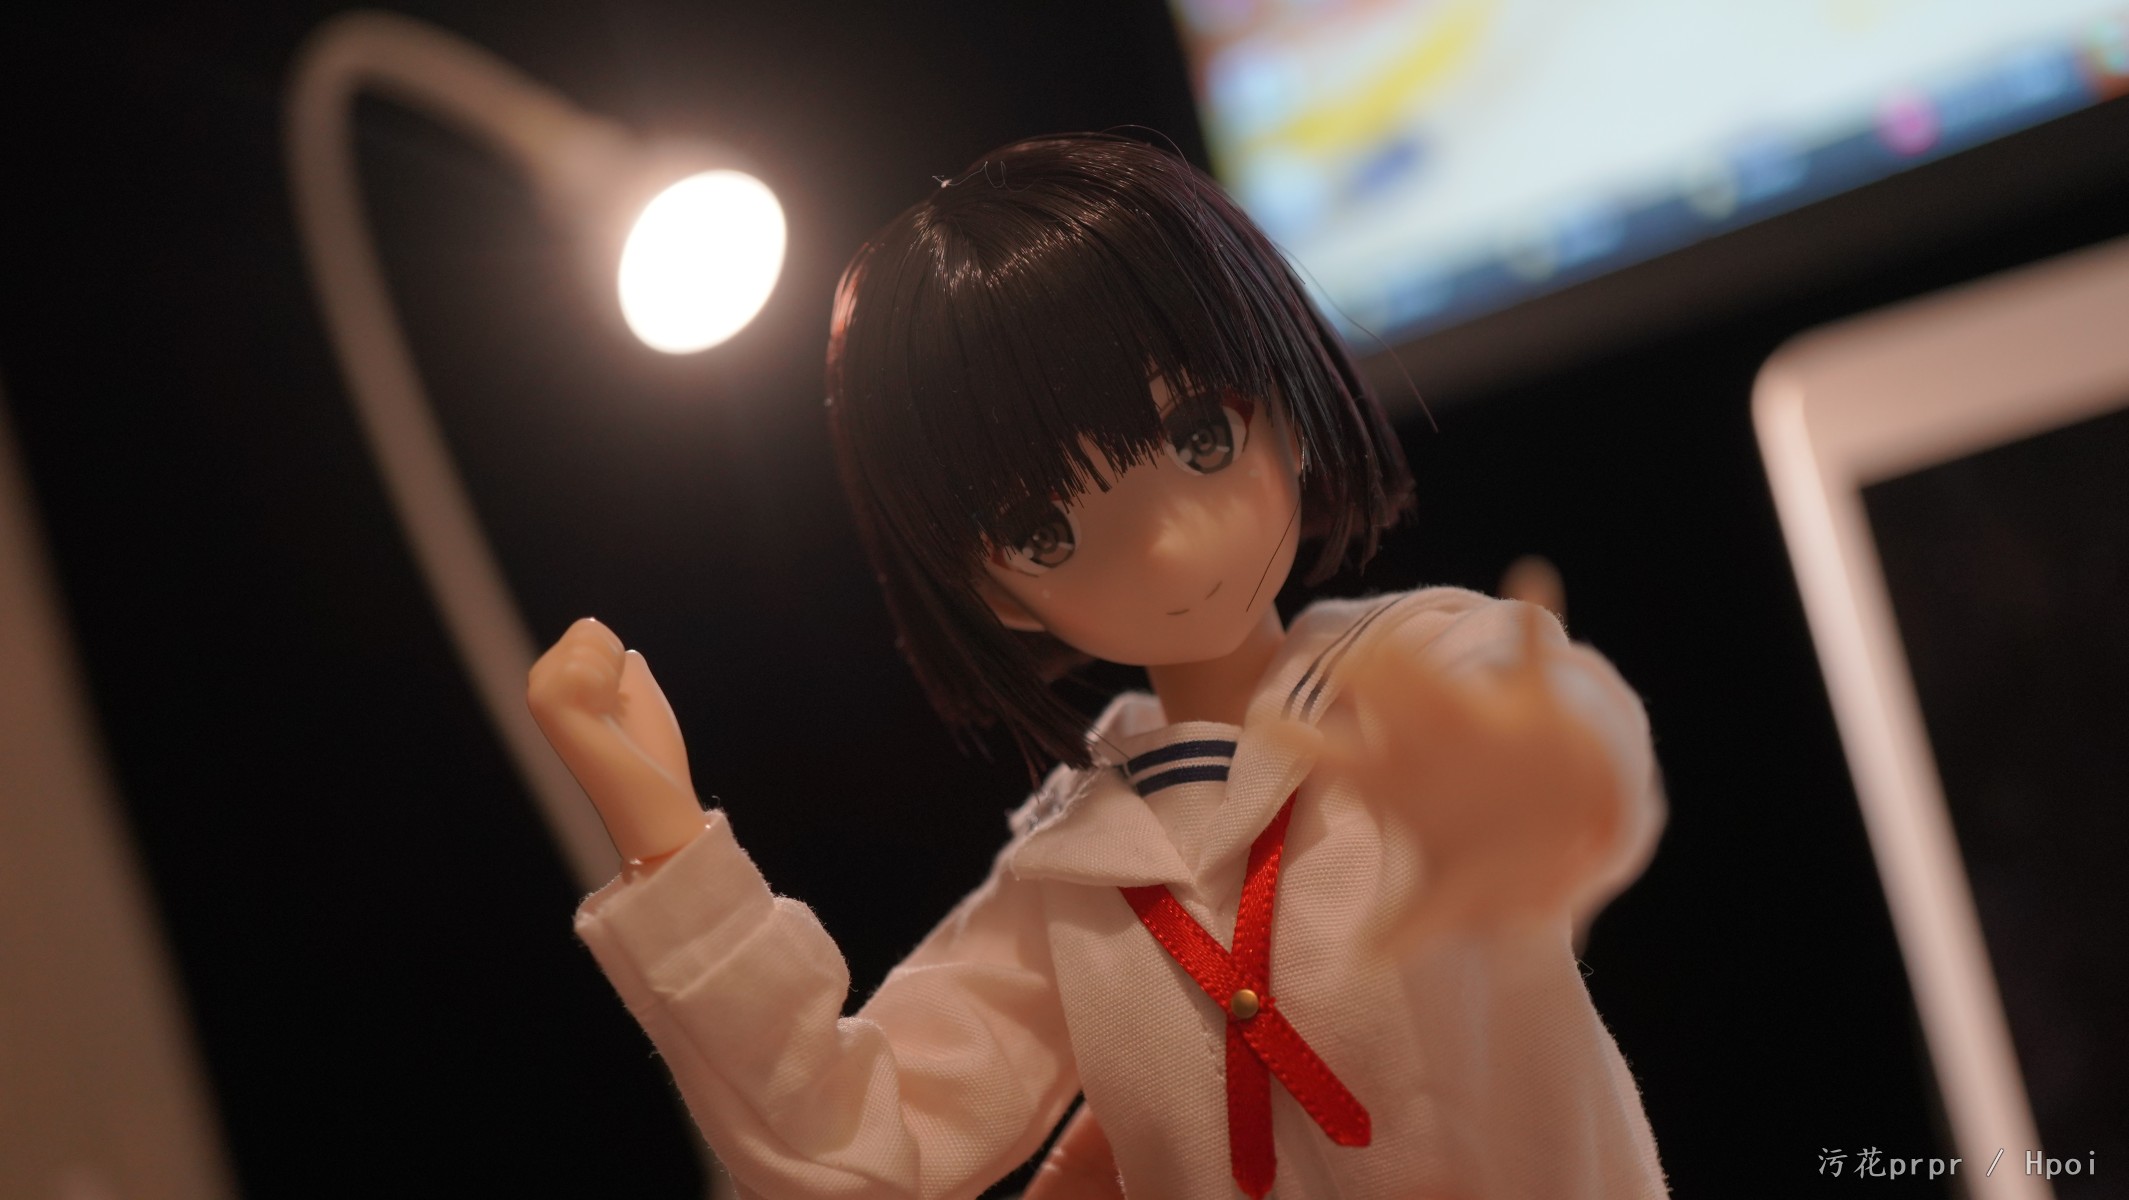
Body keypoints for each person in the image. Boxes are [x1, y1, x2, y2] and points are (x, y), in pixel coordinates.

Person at [529, 133, 1666, 1199]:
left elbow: (1571, 766)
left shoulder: (1423, 666)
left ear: (1282, 390)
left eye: (1201, 438)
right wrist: (670, 851)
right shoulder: (1078, 873)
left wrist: (1528, 764)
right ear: (988, 589)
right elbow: (850, 1147)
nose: (1167, 550)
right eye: (1043, 532)